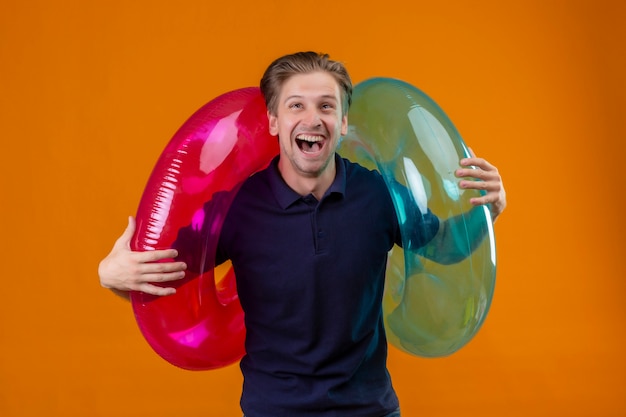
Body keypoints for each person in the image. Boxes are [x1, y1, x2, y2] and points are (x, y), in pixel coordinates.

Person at [99, 51, 506, 417]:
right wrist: (111, 275)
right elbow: (160, 279)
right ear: (274, 121)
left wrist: (486, 211)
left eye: (326, 106)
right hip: (273, 410)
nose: (312, 119)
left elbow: (443, 247)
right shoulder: (238, 206)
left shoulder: (377, 194)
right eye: (297, 106)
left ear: (343, 122)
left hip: (368, 409)